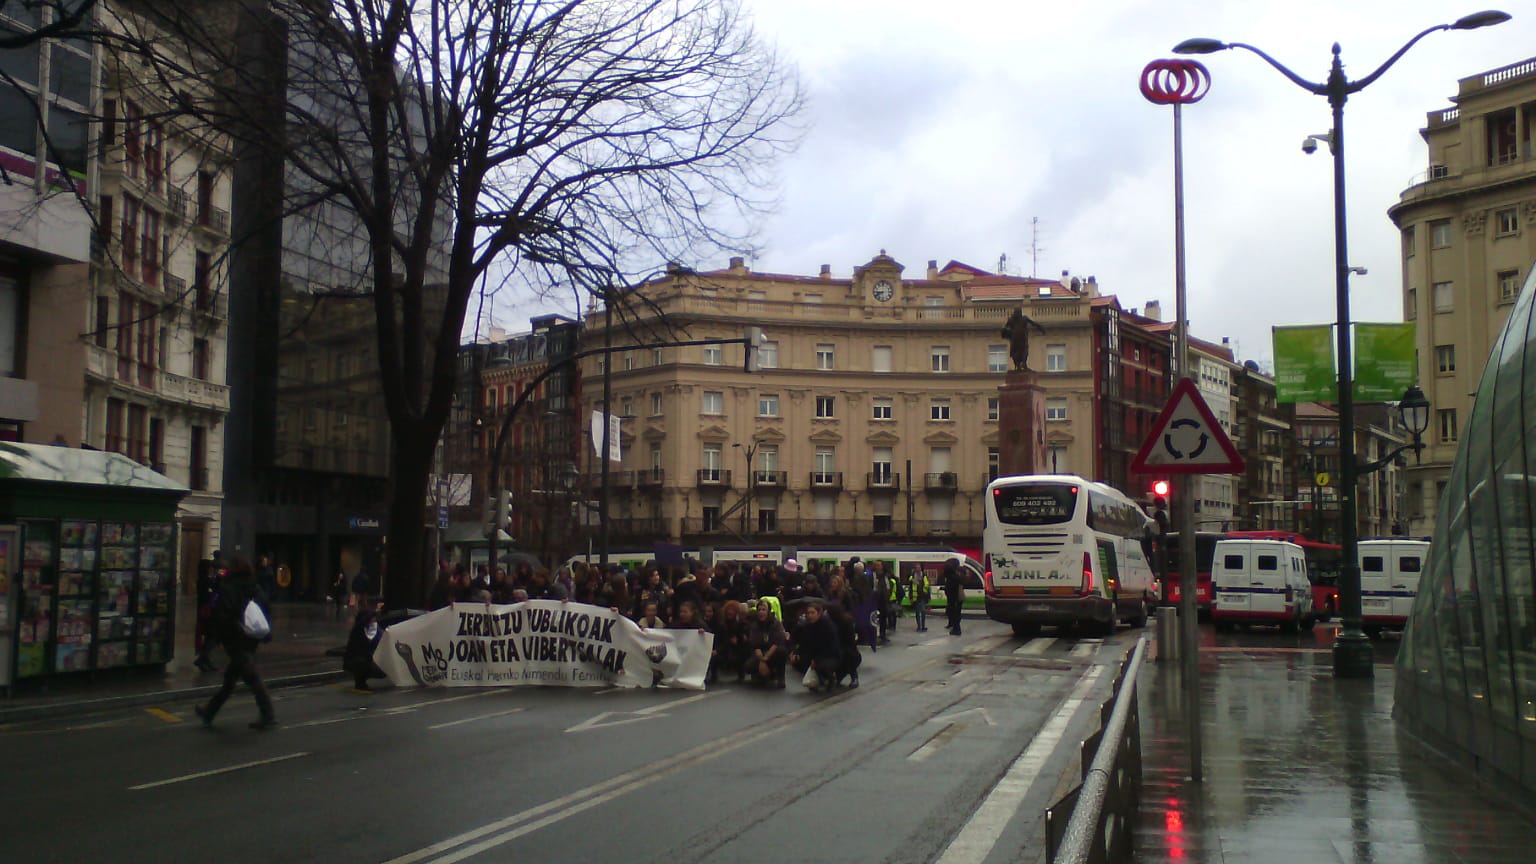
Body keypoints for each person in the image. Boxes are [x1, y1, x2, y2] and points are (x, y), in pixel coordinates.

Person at [195, 556, 277, 730]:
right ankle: (209, 711)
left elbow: (223, 614)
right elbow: (266, 606)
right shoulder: (253, 585)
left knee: (251, 676)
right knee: (230, 679)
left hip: (235, 638)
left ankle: (268, 714)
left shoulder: (229, 586)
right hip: (250, 638)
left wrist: (218, 636)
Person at [789, 602, 841, 692]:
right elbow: (804, 642)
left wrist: (816, 660)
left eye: (813, 613)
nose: (810, 615)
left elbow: (830, 646)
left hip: (830, 656)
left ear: (819, 613)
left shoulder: (827, 626)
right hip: (814, 655)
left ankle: (830, 678)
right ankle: (818, 679)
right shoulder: (808, 626)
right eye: (808, 613)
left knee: (822, 665)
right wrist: (796, 653)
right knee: (797, 661)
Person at [744, 600, 787, 688]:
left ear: (768, 611)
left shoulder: (775, 624)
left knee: (782, 651)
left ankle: (780, 676)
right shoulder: (755, 625)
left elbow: (776, 643)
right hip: (761, 653)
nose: (761, 612)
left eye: (764, 610)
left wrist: (765, 659)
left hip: (773, 652)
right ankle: (761, 675)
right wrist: (761, 660)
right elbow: (755, 645)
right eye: (759, 610)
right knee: (748, 666)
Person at [343, 607, 387, 691]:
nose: (374, 621)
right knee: (360, 663)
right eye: (372, 619)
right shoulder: (358, 631)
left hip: (372, 658)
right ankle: (360, 681)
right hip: (360, 659)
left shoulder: (377, 630)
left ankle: (361, 679)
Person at [193, 555, 222, 672]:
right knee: (212, 635)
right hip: (207, 611)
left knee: (210, 635)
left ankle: (204, 659)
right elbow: (210, 594)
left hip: (205, 610)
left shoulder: (204, 580)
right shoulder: (205, 581)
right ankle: (203, 658)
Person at [942, 557, 965, 636]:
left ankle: (956, 629)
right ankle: (955, 628)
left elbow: (951, 588)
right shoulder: (955, 577)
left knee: (954, 613)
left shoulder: (952, 577)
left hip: (954, 599)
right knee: (955, 613)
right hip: (956, 599)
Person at [908, 564, 932, 633]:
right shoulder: (912, 577)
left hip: (923, 596)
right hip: (916, 597)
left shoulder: (924, 576)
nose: (918, 569)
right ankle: (919, 626)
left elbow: (928, 587)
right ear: (915, 569)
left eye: (919, 568)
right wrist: (911, 597)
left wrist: (928, 596)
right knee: (918, 612)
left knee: (923, 611)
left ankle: (923, 626)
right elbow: (910, 589)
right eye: (917, 568)